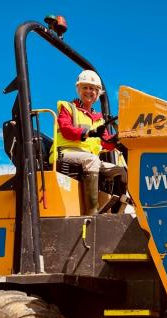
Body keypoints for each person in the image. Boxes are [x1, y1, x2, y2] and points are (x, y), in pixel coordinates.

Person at [50, 69, 126, 215]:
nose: (89, 91)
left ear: (97, 94)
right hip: (64, 153)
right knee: (91, 160)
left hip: (88, 159)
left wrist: (119, 138)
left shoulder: (98, 119)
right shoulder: (68, 108)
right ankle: (92, 213)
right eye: (85, 87)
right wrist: (89, 133)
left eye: (93, 89)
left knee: (122, 172)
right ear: (79, 89)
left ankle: (117, 213)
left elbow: (107, 144)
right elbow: (66, 129)